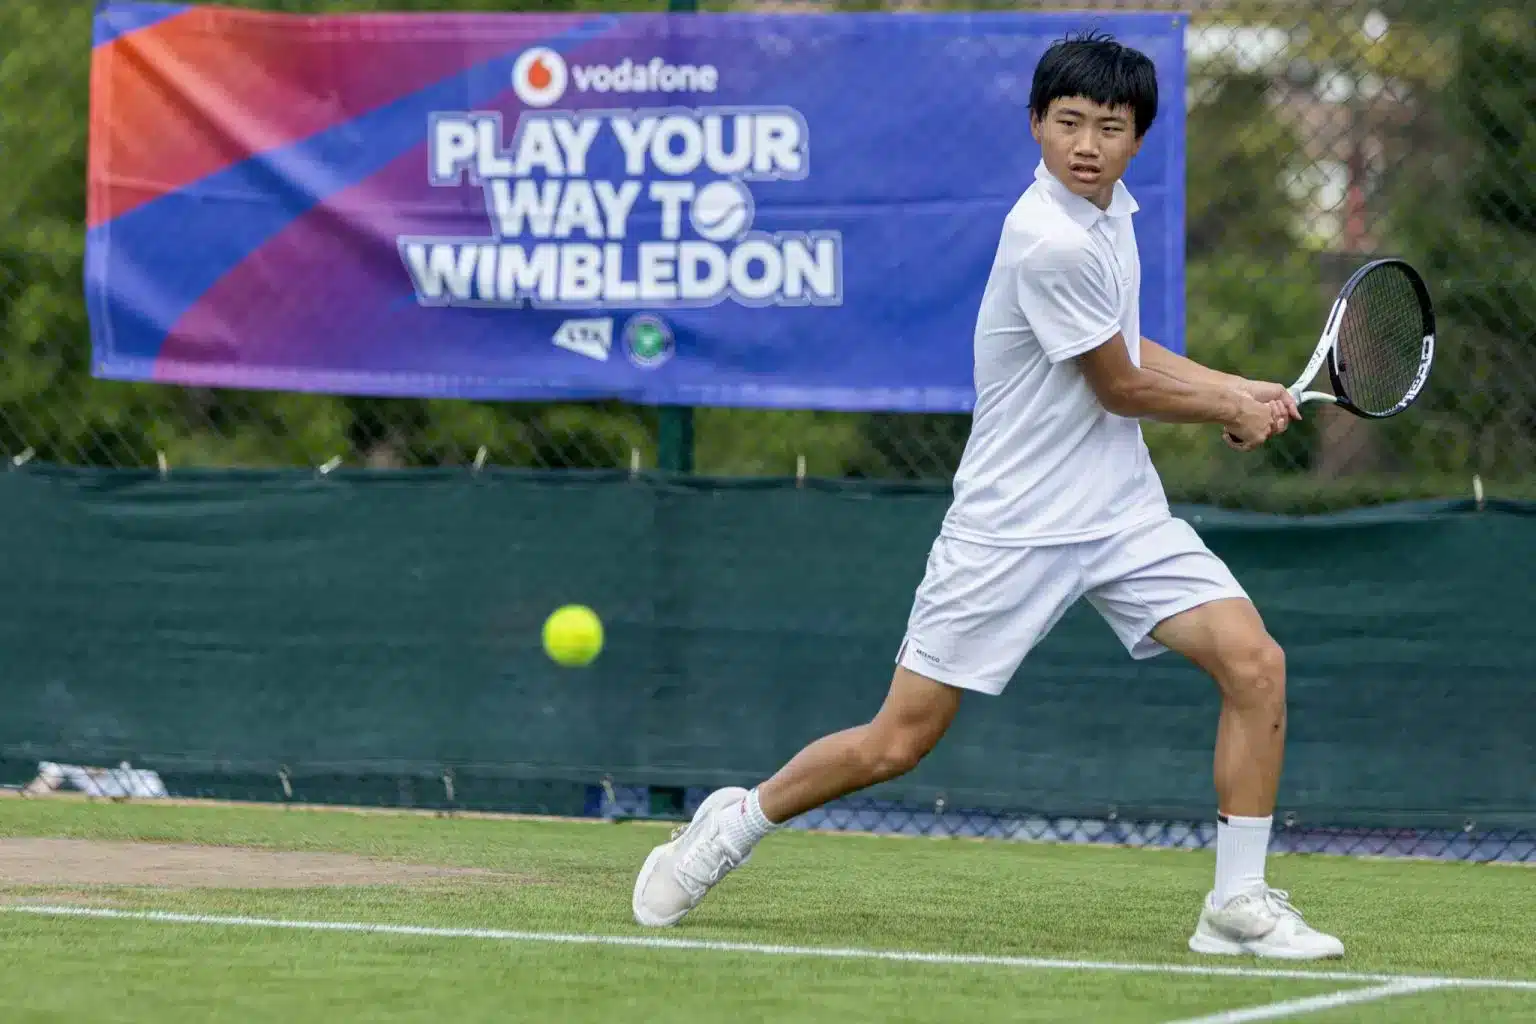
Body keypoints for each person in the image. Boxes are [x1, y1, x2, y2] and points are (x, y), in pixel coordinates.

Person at [630, 30, 1344, 961]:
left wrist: (1237, 389)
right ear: (1037, 126)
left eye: (1110, 126)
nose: (1087, 143)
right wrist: (1226, 406)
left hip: (1121, 513)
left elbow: (1131, 346)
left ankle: (1236, 904)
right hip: (1011, 529)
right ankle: (736, 820)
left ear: (1139, 140)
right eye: (1068, 122)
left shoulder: (1109, 216)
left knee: (1255, 665)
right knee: (898, 743)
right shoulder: (1046, 236)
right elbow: (1119, 387)